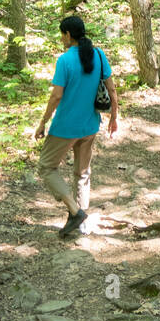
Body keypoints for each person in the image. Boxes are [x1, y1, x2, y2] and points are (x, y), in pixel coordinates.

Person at [34, 15, 118, 238]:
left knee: (46, 167)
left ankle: (75, 211)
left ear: (68, 35)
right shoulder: (98, 55)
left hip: (65, 127)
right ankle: (81, 223)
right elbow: (111, 89)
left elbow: (56, 96)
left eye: (62, 34)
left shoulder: (65, 60)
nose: (61, 38)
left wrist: (43, 122)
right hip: (90, 125)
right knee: (82, 173)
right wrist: (114, 116)